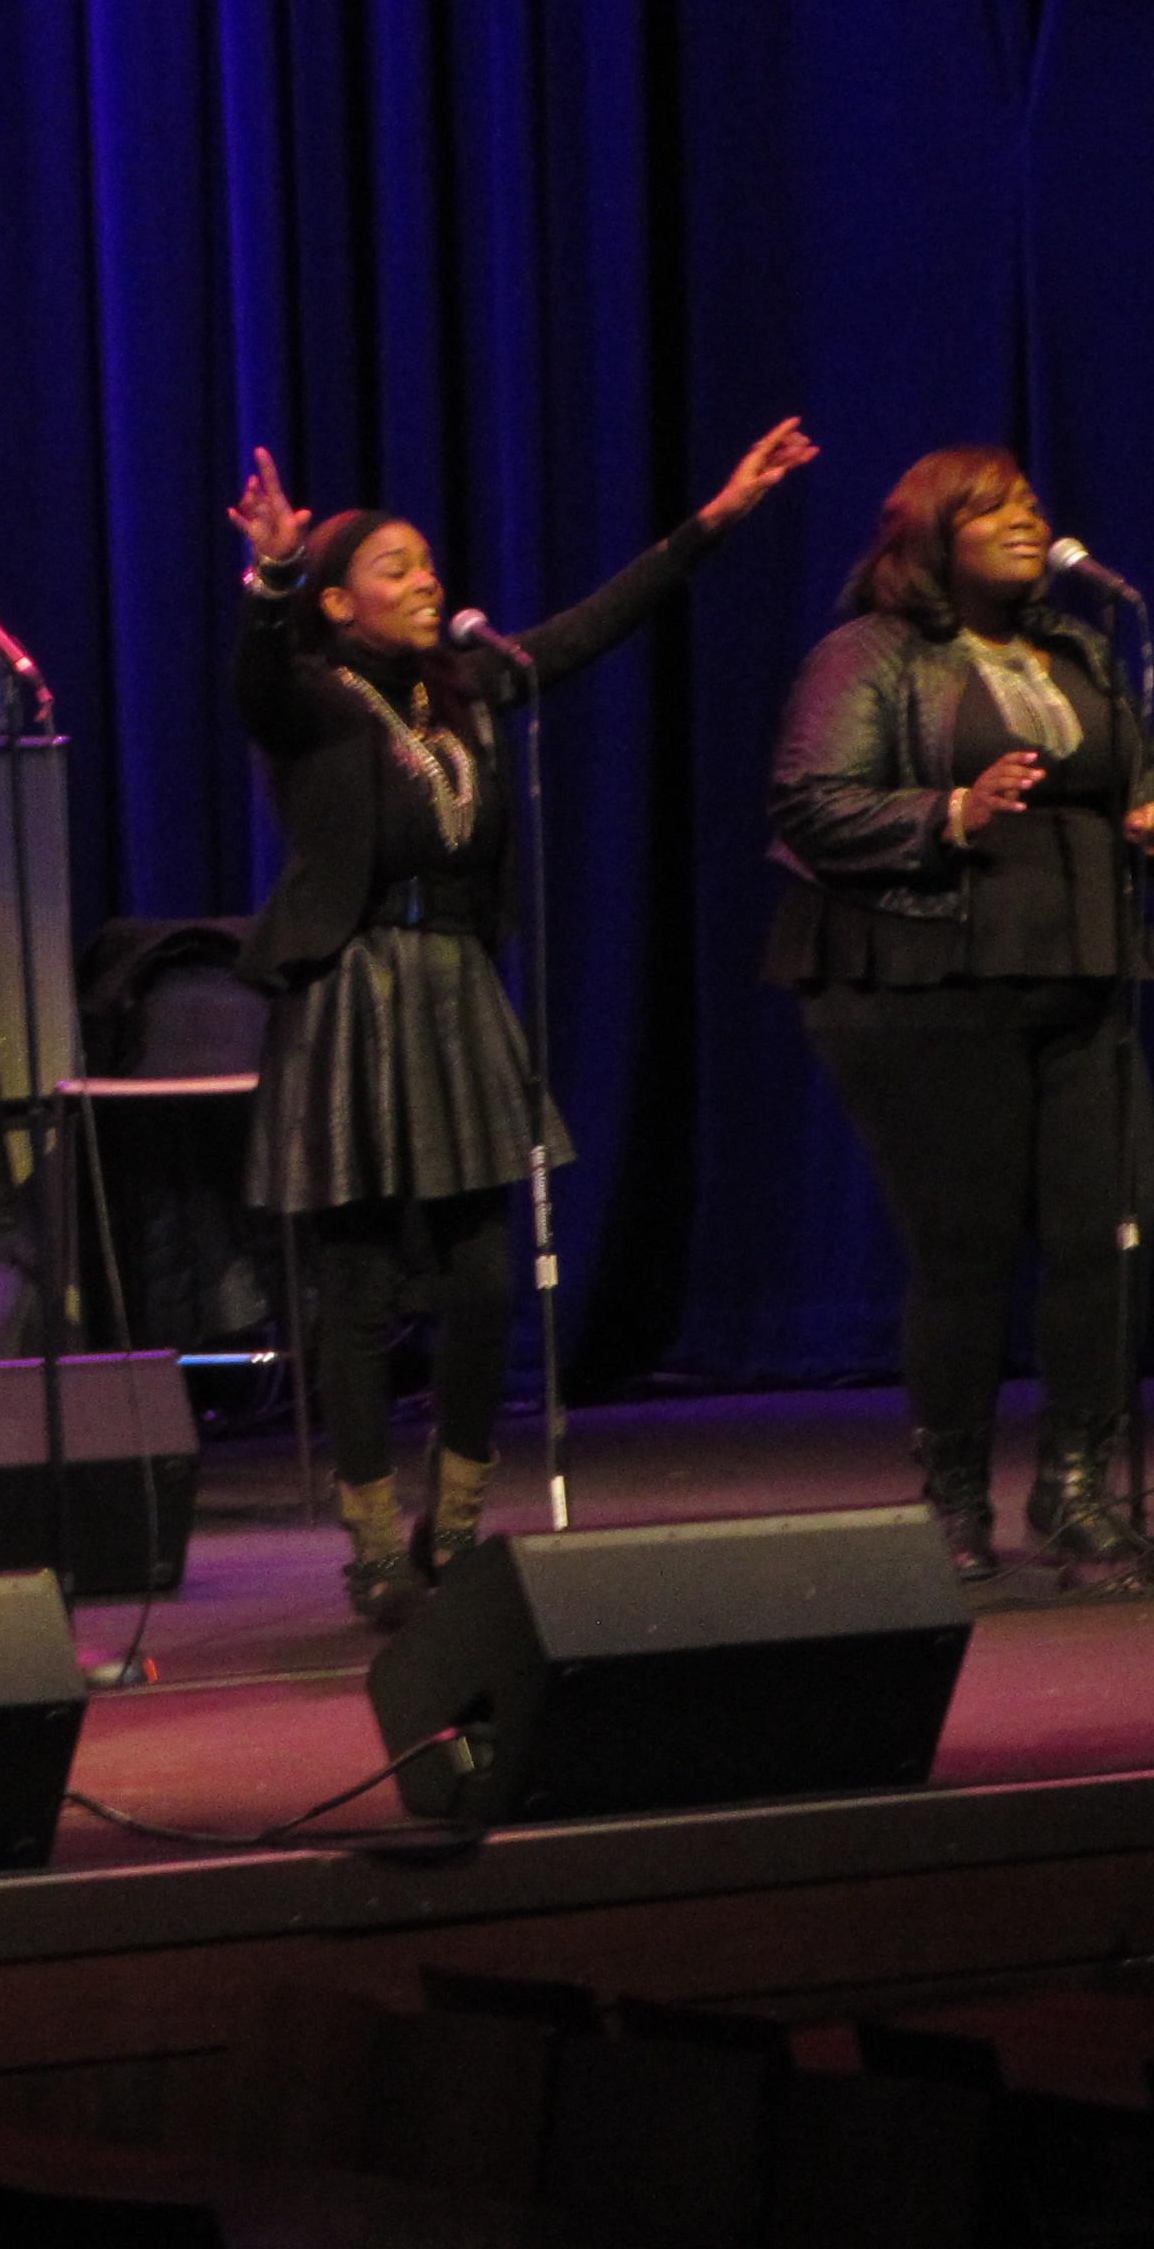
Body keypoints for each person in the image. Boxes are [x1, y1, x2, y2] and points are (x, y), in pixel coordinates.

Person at [228, 419, 817, 1623]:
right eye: (393, 567)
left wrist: (715, 518)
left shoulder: (471, 688)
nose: (424, 580)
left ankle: (453, 1520)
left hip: (454, 990)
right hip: (353, 993)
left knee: (483, 1278)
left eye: (426, 563)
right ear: (337, 602)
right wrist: (272, 576)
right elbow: (255, 677)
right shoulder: (311, 701)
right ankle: (371, 1542)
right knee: (355, 1285)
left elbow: (596, 623)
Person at [763, 451, 1154, 1579]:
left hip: (1085, 973)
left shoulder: (1081, 649)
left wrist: (1150, 822)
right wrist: (950, 811)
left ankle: (1074, 1488)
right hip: (927, 979)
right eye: (992, 508)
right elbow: (809, 802)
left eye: (1030, 504)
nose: (1025, 521)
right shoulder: (869, 654)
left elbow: (1134, 771)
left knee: (1107, 1234)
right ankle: (955, 1502)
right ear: (929, 535)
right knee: (964, 1249)